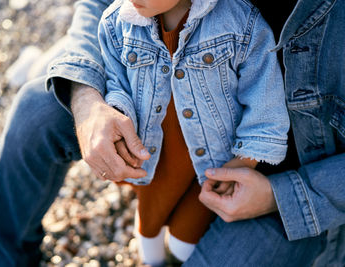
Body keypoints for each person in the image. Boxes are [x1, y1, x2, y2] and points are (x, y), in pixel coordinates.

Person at [0, 0, 345, 266]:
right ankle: (0, 255)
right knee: (37, 110)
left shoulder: (246, 25)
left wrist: (282, 196)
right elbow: (100, 8)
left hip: (300, 170)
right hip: (163, 126)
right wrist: (89, 103)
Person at [97, 0, 289, 264]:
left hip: (213, 163)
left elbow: (264, 97)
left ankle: (177, 257)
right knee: (151, 224)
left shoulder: (240, 22)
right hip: (155, 154)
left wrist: (247, 159)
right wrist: (120, 117)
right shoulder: (117, 22)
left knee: (185, 242)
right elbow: (116, 83)